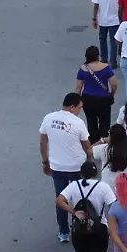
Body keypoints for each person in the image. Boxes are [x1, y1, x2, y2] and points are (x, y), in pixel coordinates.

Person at [56, 160, 115, 252]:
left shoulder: (74, 186)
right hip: (99, 229)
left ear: (81, 173)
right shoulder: (103, 187)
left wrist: (74, 212)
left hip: (79, 229)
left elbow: (59, 200)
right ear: (96, 174)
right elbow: (113, 206)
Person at [41, 93, 94, 243]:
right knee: (81, 197)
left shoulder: (48, 118)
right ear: (72, 107)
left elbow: (43, 143)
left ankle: (63, 231)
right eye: (79, 107)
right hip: (77, 167)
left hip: (57, 167)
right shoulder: (78, 123)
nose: (80, 110)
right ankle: (82, 226)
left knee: (61, 198)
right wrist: (90, 163)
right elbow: (87, 147)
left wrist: (45, 162)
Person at [76, 46, 117, 143]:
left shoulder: (83, 69)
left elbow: (78, 87)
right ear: (98, 56)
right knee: (104, 122)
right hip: (103, 98)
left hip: (87, 99)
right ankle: (103, 143)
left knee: (91, 122)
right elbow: (114, 84)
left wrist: (78, 100)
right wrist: (111, 93)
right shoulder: (106, 68)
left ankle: (93, 143)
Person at [92, 0, 123, 68]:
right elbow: (122, 3)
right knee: (114, 42)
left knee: (103, 41)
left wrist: (94, 19)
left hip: (102, 20)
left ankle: (104, 60)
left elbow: (96, 5)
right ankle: (113, 61)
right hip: (114, 20)